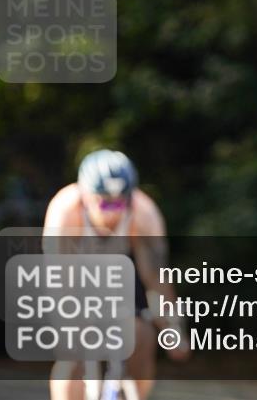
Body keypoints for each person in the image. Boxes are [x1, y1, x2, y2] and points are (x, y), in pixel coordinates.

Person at [43, 149, 189, 400]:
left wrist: (174, 329)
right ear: (86, 196)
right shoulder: (65, 211)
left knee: (142, 335)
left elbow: (157, 281)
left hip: (123, 274)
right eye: (104, 202)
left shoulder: (144, 214)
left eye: (119, 202)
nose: (112, 212)